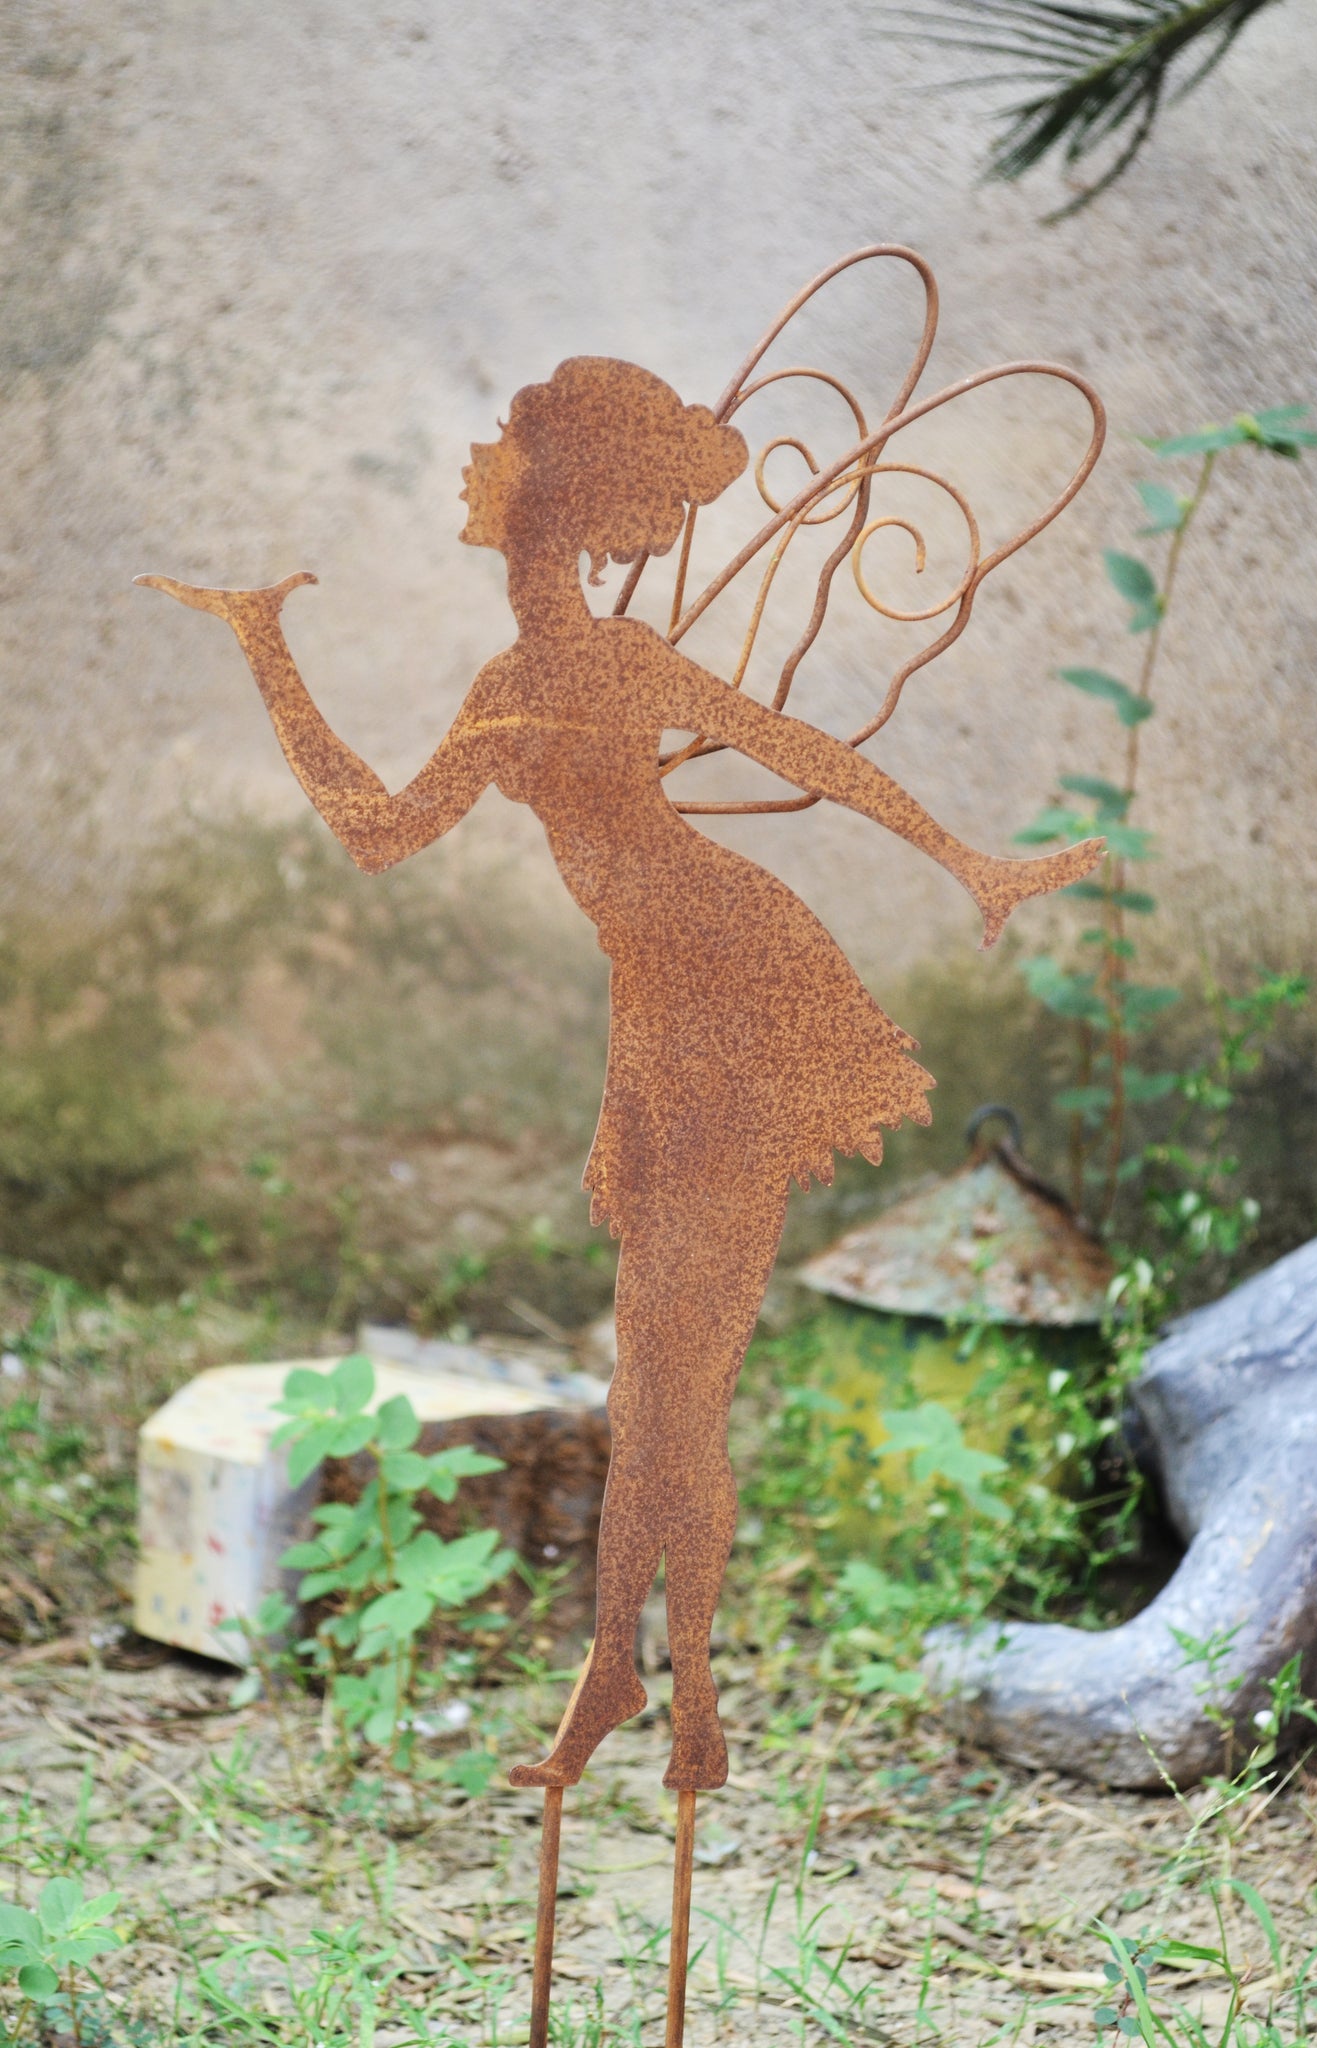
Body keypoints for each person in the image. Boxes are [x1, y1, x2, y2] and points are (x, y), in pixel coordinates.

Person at [138, 354, 1102, 1791]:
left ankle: (665, 1680)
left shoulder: (607, 665)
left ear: (566, 513)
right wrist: (266, 648)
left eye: (523, 482)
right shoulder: (510, 687)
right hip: (655, 1012)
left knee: (674, 1381)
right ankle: (635, 1675)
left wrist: (971, 860)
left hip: (736, 984)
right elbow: (377, 834)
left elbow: (801, 751)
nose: (496, 499)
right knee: (652, 1382)